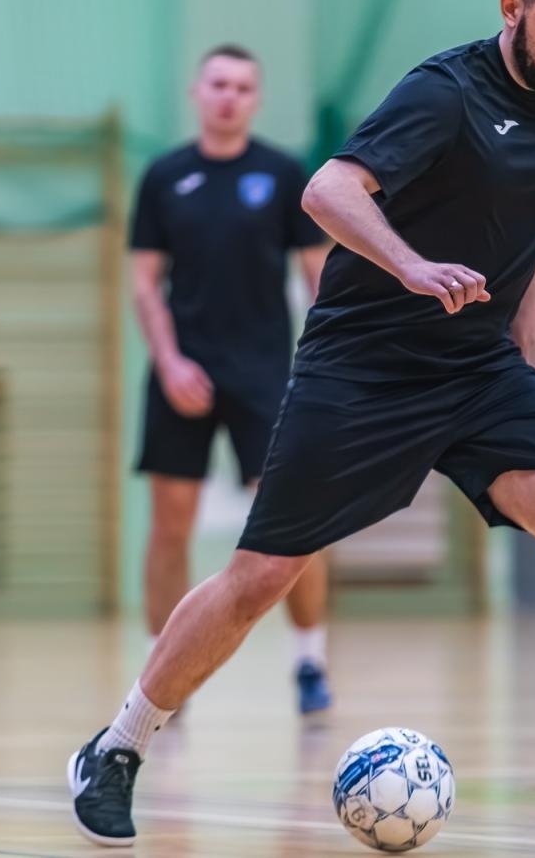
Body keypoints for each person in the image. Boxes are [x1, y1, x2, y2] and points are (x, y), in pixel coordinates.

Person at [69, 0, 535, 847]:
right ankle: (115, 747)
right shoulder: (444, 93)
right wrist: (412, 266)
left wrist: (528, 295)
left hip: (477, 367)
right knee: (260, 576)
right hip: (364, 367)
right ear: (511, 8)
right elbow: (327, 191)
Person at [129, 44, 334, 715]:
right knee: (169, 526)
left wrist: (324, 366)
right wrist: (169, 362)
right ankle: (161, 674)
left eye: (243, 87)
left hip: (266, 375)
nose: (228, 96)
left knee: (293, 522)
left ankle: (309, 661)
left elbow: (319, 277)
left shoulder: (282, 174)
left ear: (256, 99)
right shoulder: (165, 177)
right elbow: (144, 283)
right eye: (218, 83)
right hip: (182, 372)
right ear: (197, 92)